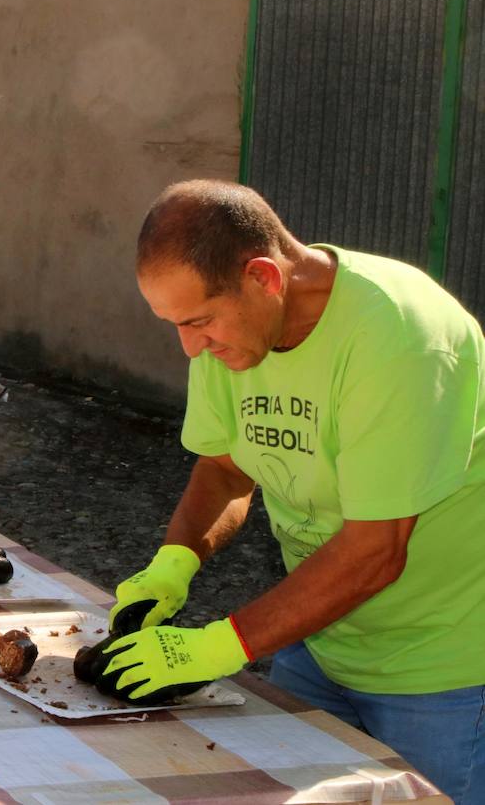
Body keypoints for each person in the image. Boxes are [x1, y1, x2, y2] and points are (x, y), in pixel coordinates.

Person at [95, 180, 485, 802]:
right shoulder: (230, 338)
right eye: (174, 324)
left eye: (198, 322)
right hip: (320, 643)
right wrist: (172, 566)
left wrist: (222, 645)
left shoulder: (399, 335)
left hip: (442, 671)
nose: (191, 346)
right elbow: (226, 469)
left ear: (264, 278)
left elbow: (375, 551)